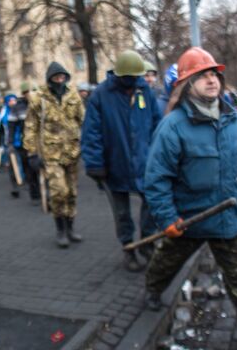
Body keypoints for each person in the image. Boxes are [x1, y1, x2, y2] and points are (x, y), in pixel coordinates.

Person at [144, 48, 237, 350]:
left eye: (213, 75)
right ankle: (152, 290)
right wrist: (167, 218)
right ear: (186, 84)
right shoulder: (172, 127)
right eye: (201, 76)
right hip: (189, 219)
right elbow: (156, 178)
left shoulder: (235, 120)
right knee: (165, 263)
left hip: (229, 220)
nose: (211, 81)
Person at [81, 50, 162, 272]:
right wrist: (94, 163)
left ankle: (147, 243)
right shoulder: (101, 95)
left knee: (152, 205)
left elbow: (157, 124)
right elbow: (91, 132)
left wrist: (161, 155)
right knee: (122, 213)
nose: (131, 82)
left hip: (145, 163)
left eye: (135, 77)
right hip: (114, 164)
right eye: (128, 78)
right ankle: (129, 248)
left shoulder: (145, 91)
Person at [24, 62, 85, 248]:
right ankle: (60, 229)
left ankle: (71, 227)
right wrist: (32, 153)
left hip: (72, 152)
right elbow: (30, 127)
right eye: (56, 77)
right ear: (50, 79)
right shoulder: (39, 99)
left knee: (72, 192)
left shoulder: (73, 96)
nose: (60, 80)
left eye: (62, 77)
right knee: (59, 191)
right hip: (51, 154)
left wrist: (89, 144)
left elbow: (84, 120)